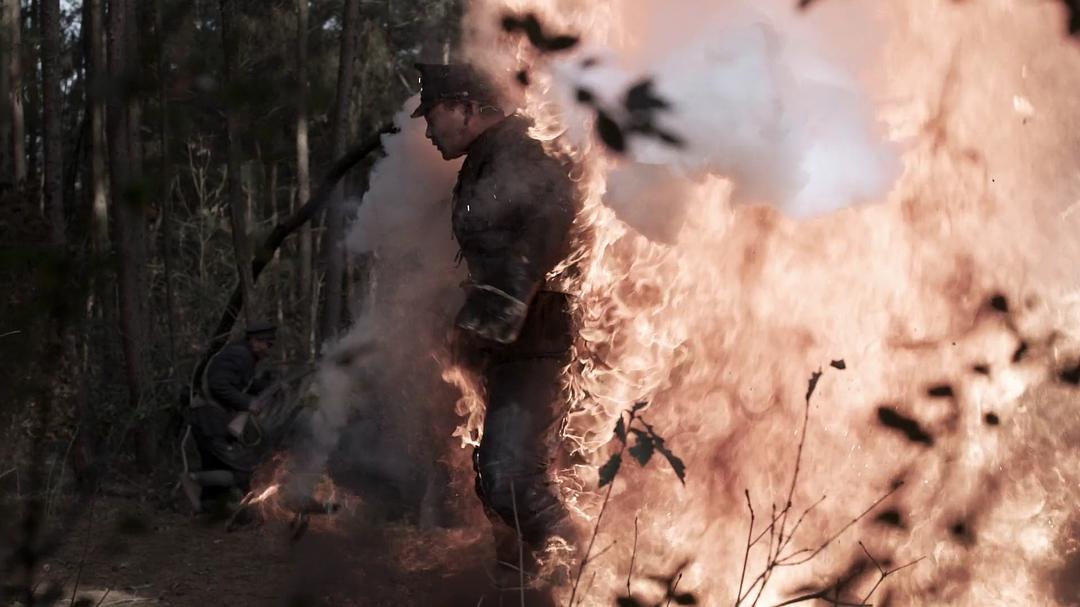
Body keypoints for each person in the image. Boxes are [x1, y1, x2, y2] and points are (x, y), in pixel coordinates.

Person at [412, 63, 581, 583]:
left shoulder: (517, 148)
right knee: (493, 477)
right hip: (510, 345)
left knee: (510, 475)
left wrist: (501, 304)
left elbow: (552, 215)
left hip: (533, 337)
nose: (427, 128)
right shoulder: (486, 159)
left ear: (466, 107)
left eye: (434, 114)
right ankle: (518, 585)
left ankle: (592, 577)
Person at [181, 321, 288, 513]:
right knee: (244, 469)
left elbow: (240, 383)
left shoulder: (242, 355)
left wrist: (265, 386)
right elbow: (219, 385)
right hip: (210, 420)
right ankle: (191, 481)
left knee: (215, 464)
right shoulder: (239, 355)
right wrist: (247, 403)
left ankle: (207, 505)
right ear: (254, 341)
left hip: (209, 420)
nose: (268, 350)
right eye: (267, 344)